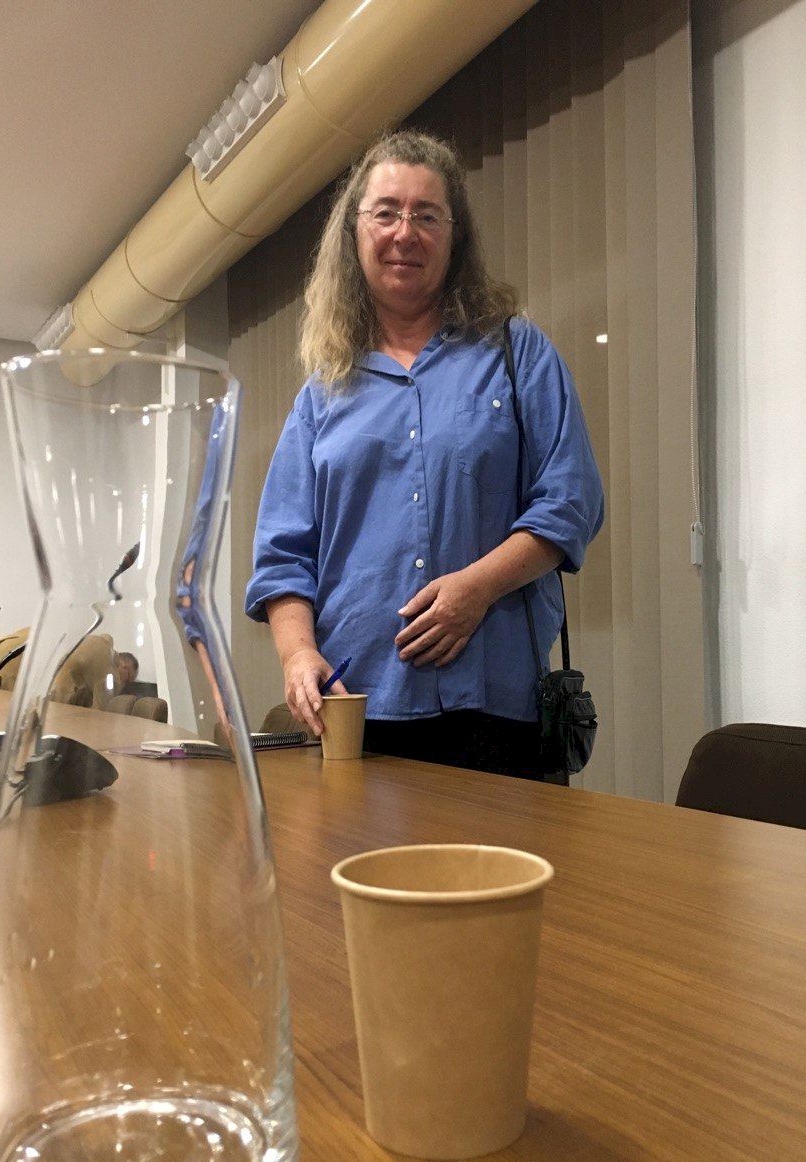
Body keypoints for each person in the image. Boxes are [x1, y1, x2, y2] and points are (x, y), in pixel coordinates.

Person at [245, 130, 604, 780]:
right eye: (386, 212)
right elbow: (283, 557)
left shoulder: (517, 354)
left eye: (426, 215)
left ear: (454, 236)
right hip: (357, 709)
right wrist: (297, 656)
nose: (404, 233)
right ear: (355, 234)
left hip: (498, 708)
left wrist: (477, 588)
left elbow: (570, 502)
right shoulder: (322, 393)